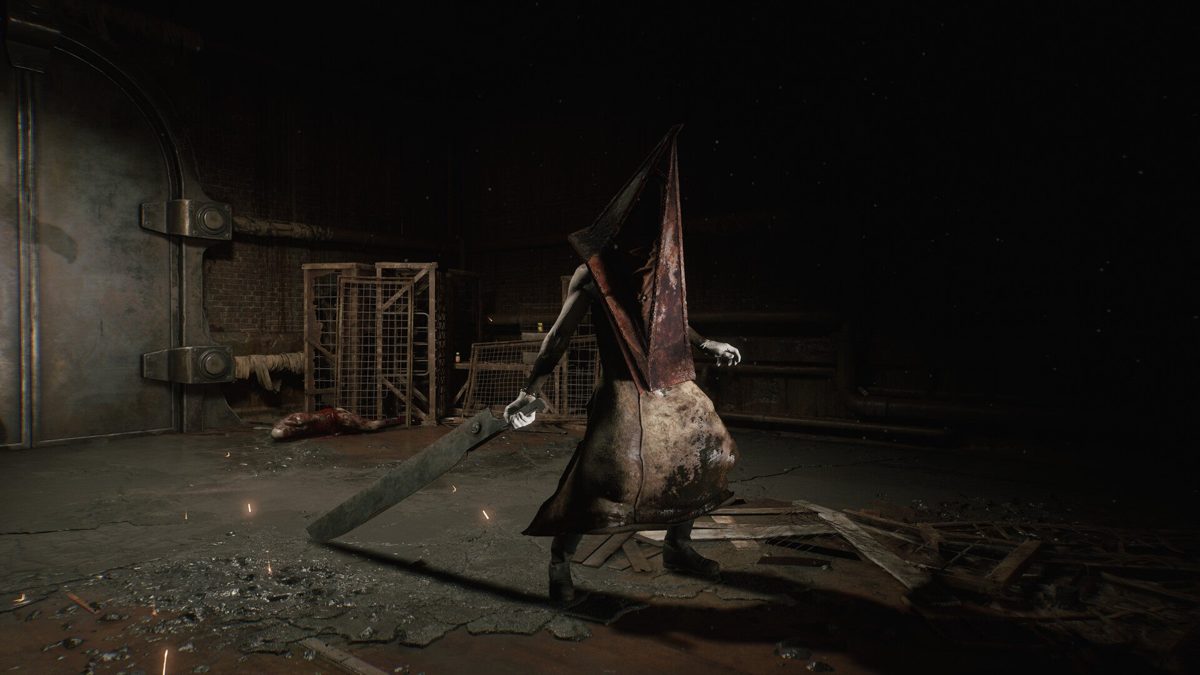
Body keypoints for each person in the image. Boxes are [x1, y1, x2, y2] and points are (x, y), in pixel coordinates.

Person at [504, 127, 742, 602]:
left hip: (670, 383)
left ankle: (678, 547)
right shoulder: (593, 273)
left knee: (704, 453)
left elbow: (669, 325)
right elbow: (557, 336)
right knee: (601, 478)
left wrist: (707, 343)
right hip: (622, 388)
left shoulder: (658, 265)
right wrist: (530, 390)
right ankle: (559, 562)